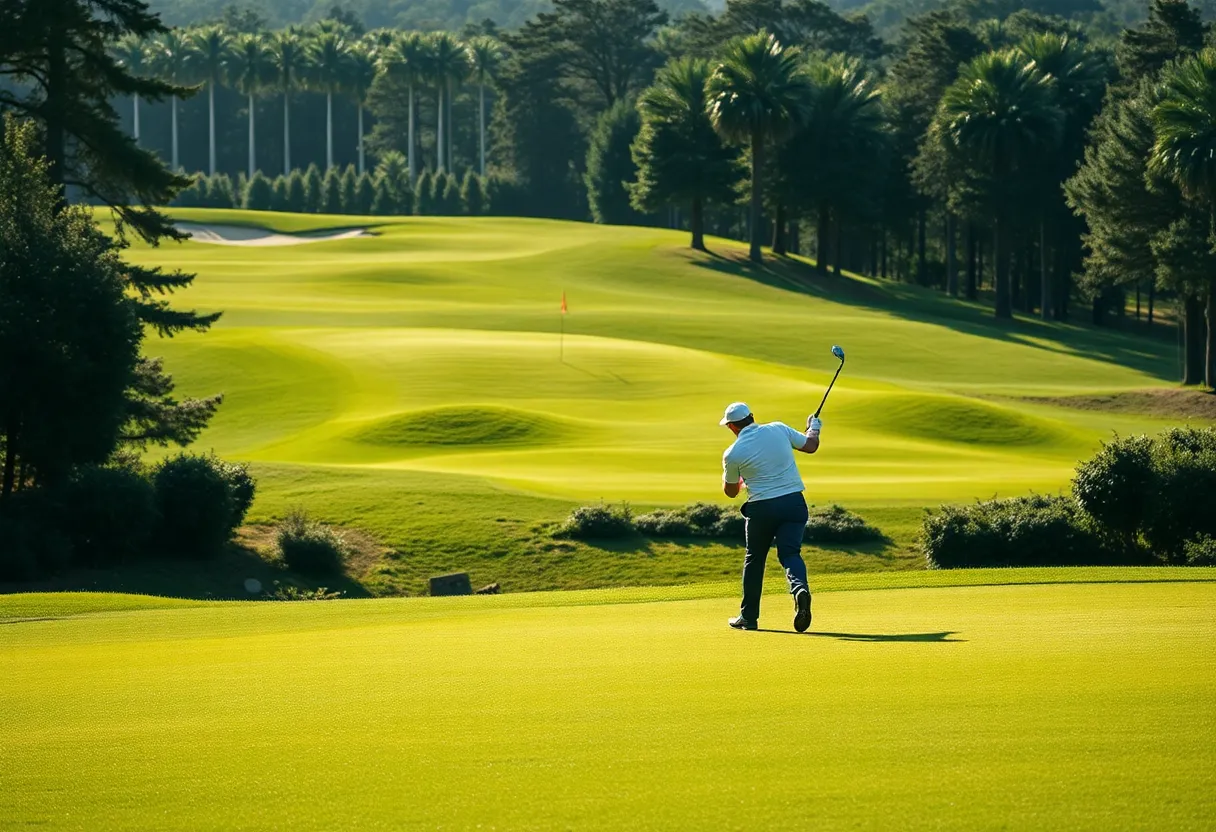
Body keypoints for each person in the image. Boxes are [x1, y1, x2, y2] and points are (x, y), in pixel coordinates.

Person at [719, 402, 821, 632]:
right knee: (790, 553)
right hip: (794, 504)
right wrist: (813, 427)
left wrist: (739, 480)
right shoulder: (778, 428)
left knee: (754, 559)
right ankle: (799, 590)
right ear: (752, 417)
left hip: (761, 510)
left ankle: (749, 617)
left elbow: (731, 491)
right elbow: (811, 445)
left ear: (732, 427)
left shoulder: (732, 453)